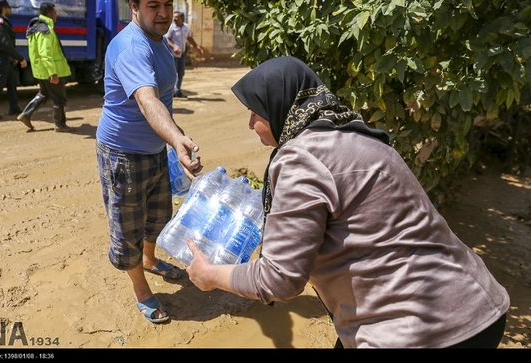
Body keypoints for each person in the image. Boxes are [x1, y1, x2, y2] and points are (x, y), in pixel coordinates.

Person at [186, 56, 510, 348]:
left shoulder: (301, 158)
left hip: (421, 331)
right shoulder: (355, 134)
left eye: (256, 112)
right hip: (476, 304)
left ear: (279, 104)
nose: (250, 123)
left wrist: (211, 275)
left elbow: (279, 279)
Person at [95, 0, 203, 324]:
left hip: (155, 150)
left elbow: (166, 103)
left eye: (168, 4)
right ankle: (141, 287)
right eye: (153, 4)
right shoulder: (130, 48)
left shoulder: (161, 43)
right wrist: (176, 139)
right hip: (123, 154)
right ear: (134, 6)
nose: (163, 13)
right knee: (127, 226)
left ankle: (151, 259)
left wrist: (174, 143)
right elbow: (147, 101)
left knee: (158, 216)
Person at [17, 2, 74, 133]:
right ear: (49, 14)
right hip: (50, 70)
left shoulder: (36, 26)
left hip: (41, 70)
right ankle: (60, 124)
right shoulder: (45, 29)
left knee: (44, 93)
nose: (56, 14)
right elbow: (45, 53)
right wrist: (52, 73)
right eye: (55, 12)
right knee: (60, 98)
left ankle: (26, 115)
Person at [0, 0, 28, 121]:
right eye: (9, 8)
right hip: (0, 56)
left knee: (12, 82)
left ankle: (14, 108)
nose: (10, 10)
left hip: (3, 56)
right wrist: (20, 58)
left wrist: (12, 57)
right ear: (4, 8)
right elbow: (5, 43)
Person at [164, 11, 204, 98]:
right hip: (173, 55)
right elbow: (167, 39)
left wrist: (197, 47)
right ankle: (171, 92)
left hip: (182, 54)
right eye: (174, 17)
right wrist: (174, 47)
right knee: (173, 73)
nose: (174, 19)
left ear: (182, 18)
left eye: (176, 17)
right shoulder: (172, 28)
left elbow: (189, 38)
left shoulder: (186, 27)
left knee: (181, 73)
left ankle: (177, 90)